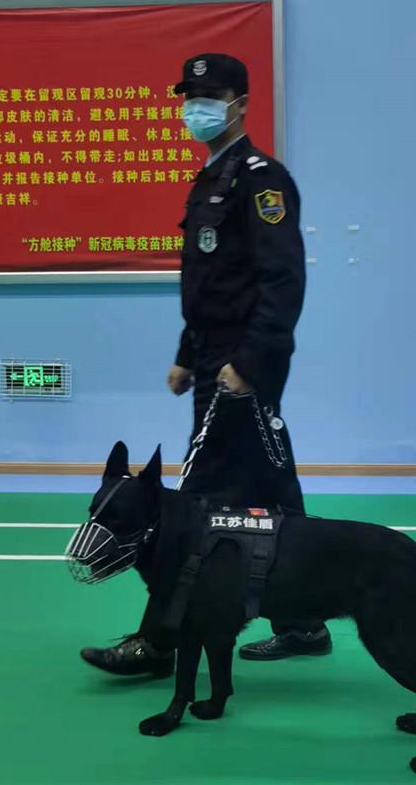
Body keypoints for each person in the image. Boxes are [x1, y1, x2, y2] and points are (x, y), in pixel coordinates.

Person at [80, 53, 331, 676]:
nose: (196, 109)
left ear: (239, 104)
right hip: (218, 359)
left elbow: (282, 281)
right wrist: (186, 356)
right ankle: (303, 619)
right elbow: (212, 285)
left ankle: (160, 641)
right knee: (272, 491)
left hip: (243, 364)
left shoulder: (261, 181)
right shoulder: (210, 180)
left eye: (210, 97)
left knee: (191, 505)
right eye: (190, 98)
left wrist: (248, 361)